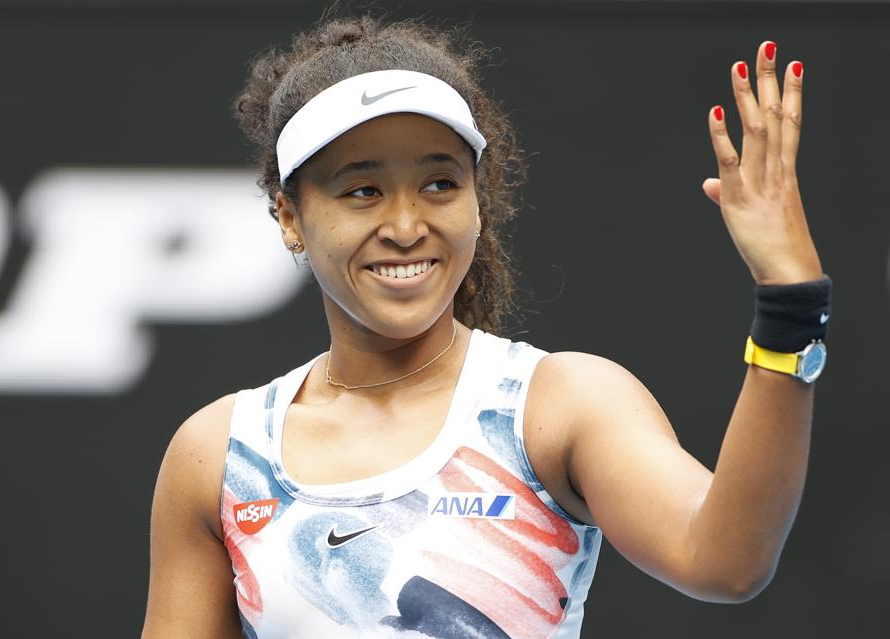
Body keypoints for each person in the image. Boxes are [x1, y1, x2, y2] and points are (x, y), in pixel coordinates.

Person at [141, 14, 832, 639]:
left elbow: (725, 560)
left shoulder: (560, 403)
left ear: (477, 197)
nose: (408, 226)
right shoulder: (217, 455)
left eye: (440, 183)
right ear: (289, 216)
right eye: (362, 190)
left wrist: (789, 301)